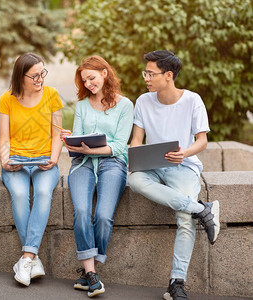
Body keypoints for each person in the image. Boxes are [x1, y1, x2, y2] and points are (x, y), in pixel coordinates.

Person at [128, 50, 220, 300]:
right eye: (145, 73)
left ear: (168, 75)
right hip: (153, 166)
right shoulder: (143, 101)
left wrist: (184, 153)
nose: (146, 77)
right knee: (134, 180)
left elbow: (202, 141)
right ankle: (202, 208)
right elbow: (137, 140)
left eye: (151, 73)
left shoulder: (192, 100)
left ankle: (177, 282)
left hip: (183, 166)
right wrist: (134, 158)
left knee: (184, 217)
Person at [60, 56, 133, 297]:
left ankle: (86, 274)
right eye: (85, 80)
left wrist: (94, 149)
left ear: (104, 73)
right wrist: (72, 139)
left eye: (92, 78)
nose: (89, 84)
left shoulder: (125, 105)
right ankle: (91, 273)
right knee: (82, 212)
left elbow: (121, 146)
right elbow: (79, 142)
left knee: (102, 215)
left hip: (113, 164)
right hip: (82, 163)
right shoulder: (82, 105)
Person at [0, 53, 63, 286]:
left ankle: (26, 257)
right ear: (20, 76)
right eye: (34, 75)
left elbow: (57, 134)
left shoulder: (52, 95)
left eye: (42, 73)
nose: (40, 79)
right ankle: (32, 257)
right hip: (16, 160)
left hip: (45, 160)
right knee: (19, 195)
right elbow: (4, 139)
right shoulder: (7, 99)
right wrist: (5, 162)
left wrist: (54, 159)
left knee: (44, 193)